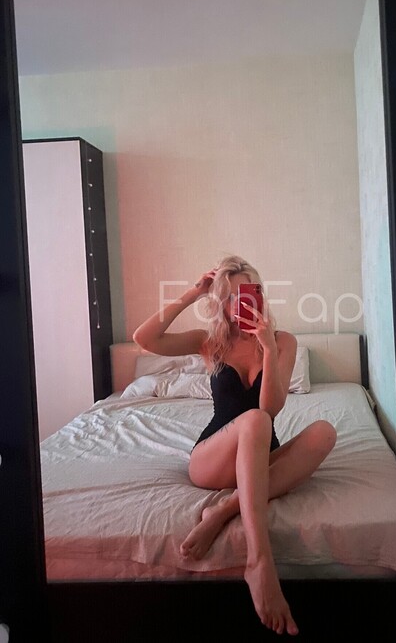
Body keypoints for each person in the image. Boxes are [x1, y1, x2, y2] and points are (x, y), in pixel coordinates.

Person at [133, 255, 337, 636]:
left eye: (249, 293)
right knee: (255, 421)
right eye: (232, 296)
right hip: (213, 456)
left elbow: (271, 407)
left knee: (324, 432)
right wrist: (194, 293)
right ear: (222, 303)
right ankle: (259, 562)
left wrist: (268, 349)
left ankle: (224, 511)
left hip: (261, 455)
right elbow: (144, 339)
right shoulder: (210, 342)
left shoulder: (282, 341)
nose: (241, 303)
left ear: (260, 295)